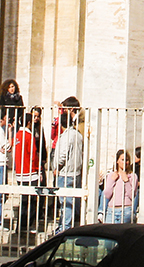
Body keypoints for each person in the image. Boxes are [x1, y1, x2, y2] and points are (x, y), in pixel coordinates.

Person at [53, 98, 84, 233]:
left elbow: (62, 155)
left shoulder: (69, 134)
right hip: (75, 171)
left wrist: (57, 167)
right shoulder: (77, 134)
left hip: (66, 172)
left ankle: (65, 228)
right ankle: (65, 225)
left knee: (66, 202)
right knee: (70, 200)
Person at [14, 113, 41, 233]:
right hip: (29, 172)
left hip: (19, 172)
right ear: (29, 123)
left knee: (24, 200)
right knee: (32, 201)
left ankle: (20, 226)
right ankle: (27, 225)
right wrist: (38, 169)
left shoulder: (17, 135)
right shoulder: (29, 136)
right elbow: (33, 155)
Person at [103, 149, 138, 224]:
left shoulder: (132, 176)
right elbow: (107, 194)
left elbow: (132, 195)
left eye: (127, 160)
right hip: (111, 210)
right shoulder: (111, 175)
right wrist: (112, 180)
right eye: (122, 160)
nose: (125, 162)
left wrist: (126, 181)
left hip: (126, 210)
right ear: (117, 161)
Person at [0, 113, 12, 231]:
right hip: (0, 164)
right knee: (0, 194)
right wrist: (10, 132)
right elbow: (7, 146)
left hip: (2, 163)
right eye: (7, 117)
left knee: (2, 194)